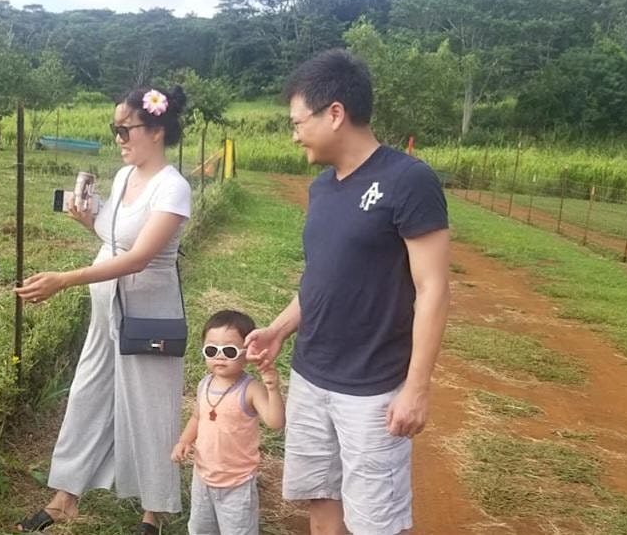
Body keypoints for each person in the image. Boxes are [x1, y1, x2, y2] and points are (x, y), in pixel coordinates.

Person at [245, 49, 451, 535]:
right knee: (321, 497)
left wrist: (417, 387)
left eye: (297, 122)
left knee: (375, 520)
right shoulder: (322, 188)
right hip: (312, 375)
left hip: (373, 388)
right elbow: (322, 277)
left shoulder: (408, 181)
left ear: (335, 113)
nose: (293, 134)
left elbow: (434, 287)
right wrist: (279, 328)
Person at [13, 85, 191, 534]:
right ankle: (65, 496)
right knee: (88, 393)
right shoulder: (124, 179)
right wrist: (88, 219)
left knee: (150, 405)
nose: (118, 139)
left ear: (155, 129)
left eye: (124, 129)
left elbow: (137, 258)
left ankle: (154, 511)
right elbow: (116, 241)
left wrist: (63, 280)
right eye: (115, 130)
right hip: (107, 310)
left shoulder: (173, 188)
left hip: (148, 312)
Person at [171, 310, 285, 535]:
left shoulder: (250, 389)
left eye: (230, 351)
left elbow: (275, 422)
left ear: (247, 352)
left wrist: (272, 387)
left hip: (237, 484)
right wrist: (184, 441)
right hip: (202, 477)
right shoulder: (205, 384)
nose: (219, 356)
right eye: (212, 350)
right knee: (201, 529)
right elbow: (197, 417)